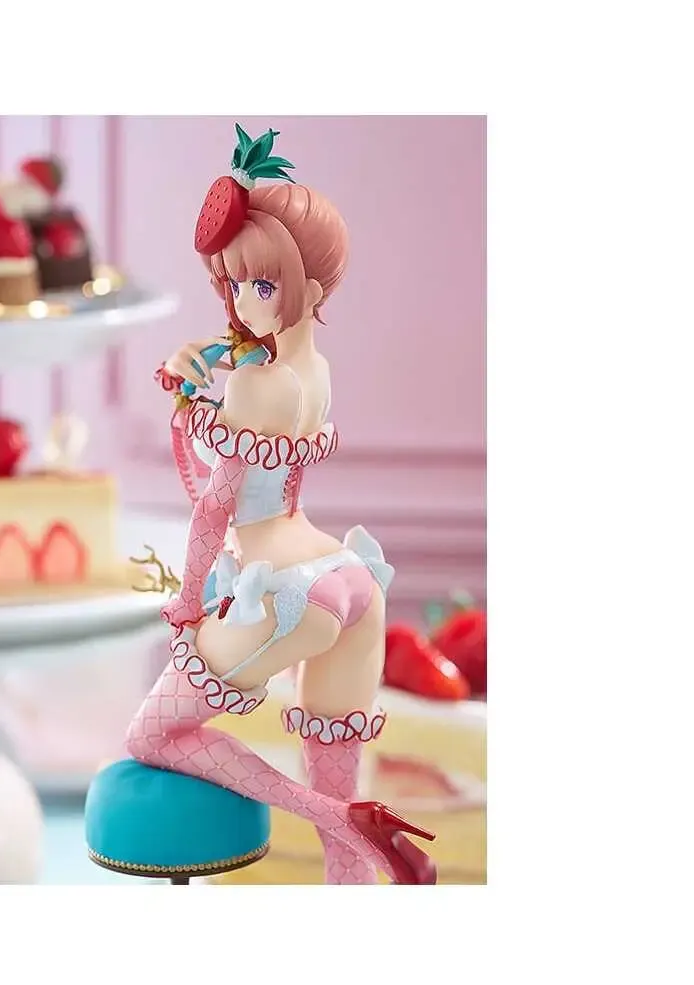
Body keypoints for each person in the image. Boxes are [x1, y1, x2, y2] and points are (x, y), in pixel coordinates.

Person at [126, 125, 436, 884]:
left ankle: (339, 818)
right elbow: (250, 385)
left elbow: (214, 510)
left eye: (261, 285)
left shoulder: (253, 384)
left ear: (313, 291)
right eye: (234, 283)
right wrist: (193, 378)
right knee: (340, 814)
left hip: (281, 593)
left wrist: (187, 603)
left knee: (152, 737)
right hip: (348, 579)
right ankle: (356, 841)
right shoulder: (313, 373)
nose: (241, 302)